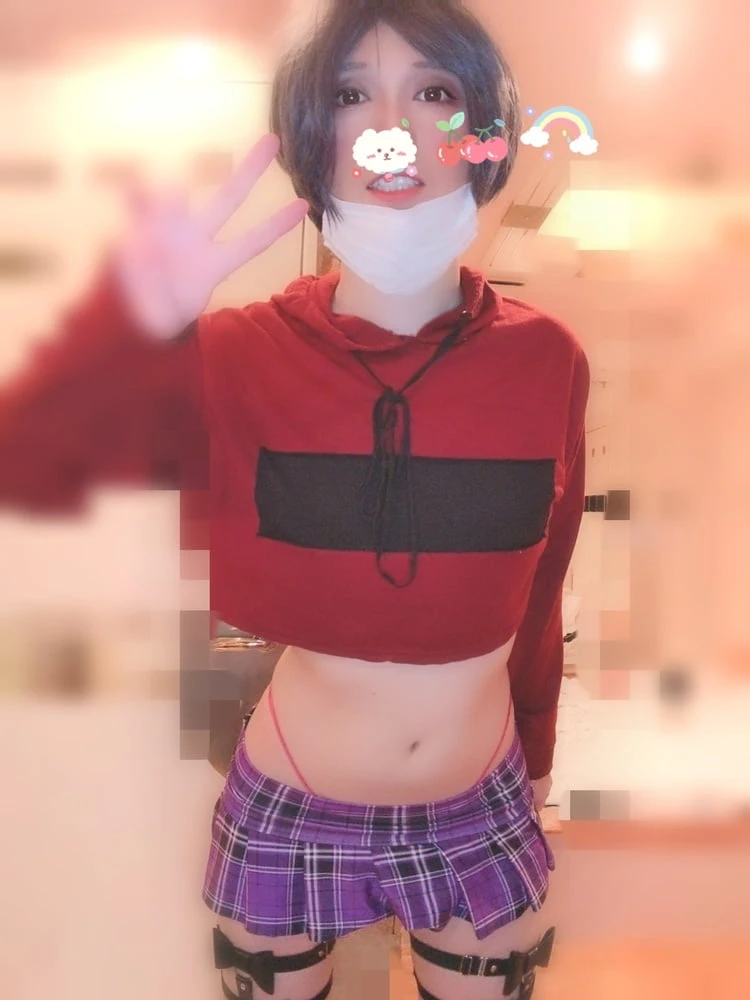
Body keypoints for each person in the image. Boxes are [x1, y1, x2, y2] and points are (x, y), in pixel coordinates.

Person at [0, 1, 590, 997]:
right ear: (314, 141)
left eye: (433, 91)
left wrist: (537, 754)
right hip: (292, 797)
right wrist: (124, 329)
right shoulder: (233, 354)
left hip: (480, 795)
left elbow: (545, 584)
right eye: (351, 95)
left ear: (483, 134)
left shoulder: (548, 360)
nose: (392, 128)